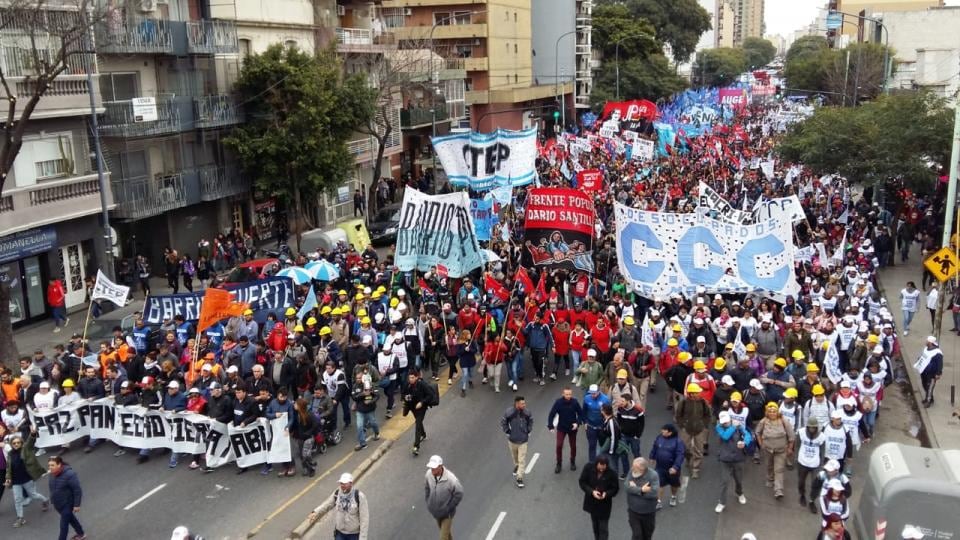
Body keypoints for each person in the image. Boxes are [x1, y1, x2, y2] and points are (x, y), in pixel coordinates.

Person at [5, 431, 49, 528]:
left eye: (18, 442)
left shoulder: (26, 449)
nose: (16, 444)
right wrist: (8, 478)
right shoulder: (10, 454)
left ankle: (45, 500)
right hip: (16, 481)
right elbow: (8, 468)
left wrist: (32, 434)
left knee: (33, 495)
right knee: (17, 499)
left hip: (27, 479)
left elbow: (30, 442)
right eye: (14, 443)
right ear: (11, 444)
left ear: (21, 443)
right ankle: (20, 518)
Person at [310, 472, 369, 540]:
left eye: (345, 483)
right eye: (341, 483)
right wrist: (316, 512)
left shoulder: (359, 496)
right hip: (340, 533)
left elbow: (364, 519)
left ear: (351, 483)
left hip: (354, 535)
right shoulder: (337, 493)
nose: (342, 485)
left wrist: (362, 538)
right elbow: (327, 504)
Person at [755, 401, 795, 499]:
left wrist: (790, 448)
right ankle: (770, 479)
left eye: (774, 411)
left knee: (779, 469)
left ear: (777, 412)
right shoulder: (763, 421)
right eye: (770, 411)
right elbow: (757, 432)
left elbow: (791, 435)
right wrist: (761, 444)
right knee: (769, 465)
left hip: (781, 450)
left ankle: (778, 490)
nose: (772, 413)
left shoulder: (784, 421)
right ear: (767, 412)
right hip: (768, 449)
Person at [714, 410, 751, 513]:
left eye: (726, 421)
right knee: (724, 481)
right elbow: (725, 436)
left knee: (738, 480)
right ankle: (722, 502)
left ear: (730, 419)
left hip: (738, 458)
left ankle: (740, 493)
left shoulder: (739, 426)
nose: (725, 423)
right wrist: (733, 427)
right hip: (725, 459)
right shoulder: (719, 427)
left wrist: (744, 442)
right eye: (723, 422)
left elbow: (748, 435)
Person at [578, 454, 620, 540]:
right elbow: (582, 482)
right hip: (592, 503)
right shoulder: (588, 468)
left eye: (603, 468)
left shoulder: (612, 474)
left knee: (603, 529)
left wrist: (606, 494)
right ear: (596, 464)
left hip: (604, 506)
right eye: (599, 467)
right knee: (595, 526)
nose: (601, 470)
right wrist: (592, 491)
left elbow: (615, 489)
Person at [424, 455, 463, 540]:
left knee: (443, 538)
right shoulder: (428, 474)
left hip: (447, 514)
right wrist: (428, 502)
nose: (432, 469)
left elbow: (459, 493)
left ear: (440, 466)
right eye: (431, 467)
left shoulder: (451, 479)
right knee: (446, 534)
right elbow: (427, 488)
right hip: (436, 512)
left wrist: (448, 507)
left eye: (434, 467)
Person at [47, 456, 84, 540]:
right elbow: (52, 488)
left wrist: (77, 505)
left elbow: (77, 490)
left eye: (52, 465)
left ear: (59, 464)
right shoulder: (52, 474)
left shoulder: (69, 474)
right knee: (71, 519)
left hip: (67, 504)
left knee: (63, 525)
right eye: (49, 465)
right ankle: (81, 534)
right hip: (58, 503)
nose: (50, 467)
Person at [548, 386, 583, 473]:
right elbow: (551, 414)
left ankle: (572, 461)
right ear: (563, 394)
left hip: (572, 428)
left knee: (573, 446)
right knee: (559, 445)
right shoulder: (558, 402)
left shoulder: (575, 402)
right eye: (567, 394)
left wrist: (577, 423)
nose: (568, 396)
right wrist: (550, 426)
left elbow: (581, 414)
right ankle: (559, 463)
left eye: (570, 394)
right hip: (561, 427)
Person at [648, 423, 684, 509]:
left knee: (674, 484)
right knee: (659, 484)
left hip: (672, 468)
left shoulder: (678, 442)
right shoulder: (659, 437)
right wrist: (652, 457)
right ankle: (658, 502)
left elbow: (680, 455)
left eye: (664, 431)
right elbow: (655, 447)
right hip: (660, 467)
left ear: (670, 433)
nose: (662, 432)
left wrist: (675, 467)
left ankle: (673, 496)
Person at [500, 395, 533, 488]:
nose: (524, 405)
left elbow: (531, 421)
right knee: (515, 458)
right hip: (512, 441)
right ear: (517, 404)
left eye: (524, 403)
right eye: (522, 403)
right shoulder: (509, 412)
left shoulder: (527, 412)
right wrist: (508, 432)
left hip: (523, 441)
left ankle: (519, 478)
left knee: (521, 460)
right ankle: (517, 466)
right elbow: (503, 422)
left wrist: (528, 430)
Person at [625, 457, 659, 540]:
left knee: (647, 535)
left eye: (635, 467)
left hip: (648, 513)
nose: (632, 469)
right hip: (633, 511)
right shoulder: (632, 472)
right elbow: (627, 487)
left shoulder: (653, 475)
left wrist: (635, 489)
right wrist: (641, 490)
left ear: (642, 469)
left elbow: (653, 493)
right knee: (637, 535)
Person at [402, 370, 431, 456]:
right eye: (409, 378)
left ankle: (416, 446)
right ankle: (423, 434)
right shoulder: (407, 385)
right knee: (419, 422)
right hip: (412, 407)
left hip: (421, 408)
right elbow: (402, 394)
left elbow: (430, 395)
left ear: (417, 377)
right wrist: (405, 397)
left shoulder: (422, 384)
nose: (410, 379)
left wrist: (422, 402)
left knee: (417, 423)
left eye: (412, 377)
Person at [916, 335, 943, 407]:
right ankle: (930, 398)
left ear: (930, 343)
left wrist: (938, 373)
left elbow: (940, 364)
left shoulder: (938, 353)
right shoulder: (926, 349)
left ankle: (928, 401)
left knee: (929, 387)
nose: (926, 342)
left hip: (932, 374)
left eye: (927, 341)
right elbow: (923, 356)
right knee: (924, 385)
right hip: (924, 372)